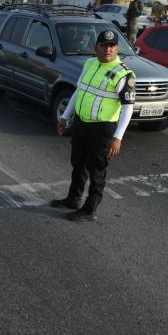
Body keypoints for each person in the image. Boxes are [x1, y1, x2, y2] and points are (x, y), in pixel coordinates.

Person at [52, 30, 136, 221]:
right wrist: (65, 117)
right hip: (82, 123)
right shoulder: (90, 63)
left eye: (112, 46)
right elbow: (79, 91)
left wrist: (118, 137)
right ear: (95, 47)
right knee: (78, 163)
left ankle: (90, 210)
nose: (108, 49)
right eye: (104, 45)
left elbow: (128, 108)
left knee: (96, 170)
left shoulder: (124, 74)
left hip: (102, 129)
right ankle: (73, 199)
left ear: (117, 48)